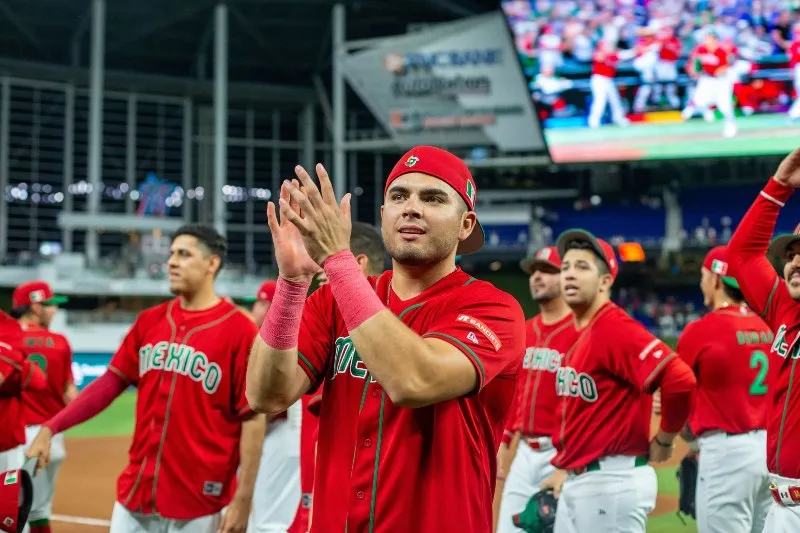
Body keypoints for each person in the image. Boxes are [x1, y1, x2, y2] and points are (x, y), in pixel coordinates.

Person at [246, 145, 526, 532]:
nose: (411, 208)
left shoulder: (492, 308)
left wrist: (339, 262)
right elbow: (265, 395)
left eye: (433, 198)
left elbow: (415, 380)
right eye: (398, 196)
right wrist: (293, 283)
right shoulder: (329, 301)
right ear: (383, 216)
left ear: (466, 225)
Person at [26, 224, 265, 533]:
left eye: (184, 254)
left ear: (212, 264)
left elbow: (253, 419)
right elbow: (109, 383)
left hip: (199, 503)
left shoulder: (240, 330)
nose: (172, 262)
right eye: (171, 254)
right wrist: (51, 426)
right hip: (136, 495)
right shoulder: (150, 321)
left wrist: (243, 501)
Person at [541, 229, 696, 533]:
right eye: (566, 267)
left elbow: (680, 378)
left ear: (605, 282)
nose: (570, 274)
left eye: (582, 267)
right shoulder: (581, 333)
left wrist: (665, 439)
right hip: (583, 479)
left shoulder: (613, 327)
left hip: (611, 481)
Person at [286, 221, 387, 533]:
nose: (319, 272)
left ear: (356, 263)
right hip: (341, 495)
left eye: (325, 263)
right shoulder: (329, 317)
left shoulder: (394, 320)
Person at [726, 147, 800, 532]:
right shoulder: (785, 308)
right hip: (782, 505)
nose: (795, 261)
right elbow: (740, 256)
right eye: (792, 253)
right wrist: (779, 187)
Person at [677, 246, 774, 533]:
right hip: (772, 453)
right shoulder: (769, 326)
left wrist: (685, 438)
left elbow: (677, 395)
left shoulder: (700, 330)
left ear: (717, 280)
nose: (701, 282)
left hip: (726, 454)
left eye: (704, 276)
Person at [494, 246, 578, 533]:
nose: (537, 277)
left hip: (564, 453)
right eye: (534, 271)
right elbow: (515, 397)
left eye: (547, 271)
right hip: (524, 453)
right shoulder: (525, 331)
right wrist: (503, 445)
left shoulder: (581, 332)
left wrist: (569, 466)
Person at [9, 281, 75, 533]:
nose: (54, 311)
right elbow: (70, 392)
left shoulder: (6, 339)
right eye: (50, 305)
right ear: (35, 307)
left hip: (14, 439)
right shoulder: (60, 343)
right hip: (51, 440)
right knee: (38, 509)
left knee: (11, 513)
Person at [245, 278, 303, 533]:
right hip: (266, 431)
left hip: (286, 430)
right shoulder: (252, 337)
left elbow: (275, 401)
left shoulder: (286, 337)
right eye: (257, 303)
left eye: (263, 303)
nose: (258, 309)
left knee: (273, 514)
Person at [0, 312, 46, 473]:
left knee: (9, 495)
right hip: (11, 438)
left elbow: (38, 381)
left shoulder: (7, 327)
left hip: (6, 442)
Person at [682, 31, 737, 138]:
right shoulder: (701, 49)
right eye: (706, 39)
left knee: (725, 106)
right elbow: (694, 60)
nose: (707, 41)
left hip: (721, 81)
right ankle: (708, 111)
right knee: (699, 101)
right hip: (706, 79)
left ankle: (730, 126)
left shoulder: (722, 50)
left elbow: (725, 66)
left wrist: (719, 70)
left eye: (709, 39)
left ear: (716, 40)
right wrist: (693, 69)